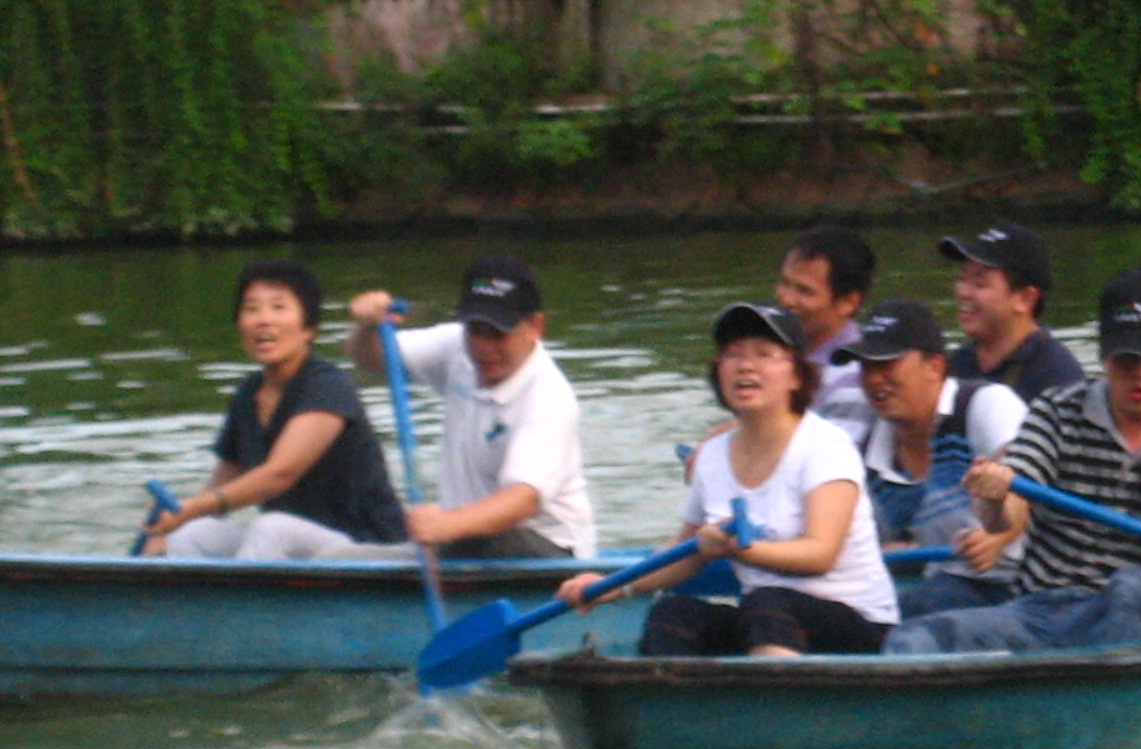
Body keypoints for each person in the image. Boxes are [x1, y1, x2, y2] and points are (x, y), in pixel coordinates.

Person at [884, 267, 1141, 655]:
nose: (1140, 374)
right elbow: (1005, 516)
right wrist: (993, 496)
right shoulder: (1056, 412)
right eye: (1125, 359)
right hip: (1041, 611)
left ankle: (1090, 689)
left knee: (1134, 586)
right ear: (1103, 356)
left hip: (1140, 617)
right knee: (910, 641)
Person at [557, 302, 899, 656]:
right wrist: (616, 587)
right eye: (733, 354)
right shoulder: (713, 455)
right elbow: (685, 554)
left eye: (764, 354)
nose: (745, 365)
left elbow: (820, 554)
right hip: (765, 620)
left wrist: (740, 551)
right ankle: (668, 708)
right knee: (674, 613)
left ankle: (779, 707)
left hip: (858, 624)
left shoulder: (826, 446)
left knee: (767, 604)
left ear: (797, 375)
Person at [140, 260, 406, 559]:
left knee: (271, 529)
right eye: (252, 309)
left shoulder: (328, 386)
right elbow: (220, 488)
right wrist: (172, 522)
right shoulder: (248, 394)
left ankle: (245, 605)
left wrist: (192, 507)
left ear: (308, 328)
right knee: (194, 533)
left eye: (278, 308)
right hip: (295, 548)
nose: (263, 320)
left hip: (367, 547)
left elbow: (279, 474)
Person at [347, 254, 596, 558]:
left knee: (468, 541)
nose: (483, 347)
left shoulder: (548, 396)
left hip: (549, 549)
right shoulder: (456, 346)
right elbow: (372, 359)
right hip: (464, 538)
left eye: (498, 334)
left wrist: (445, 524)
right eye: (475, 330)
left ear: (535, 326)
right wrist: (367, 327)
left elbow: (522, 500)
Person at [831, 298, 1030, 617]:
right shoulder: (867, 448)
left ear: (934, 367)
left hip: (1017, 585)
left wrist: (999, 537)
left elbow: (1029, 484)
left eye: (887, 364)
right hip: (937, 585)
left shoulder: (987, 406)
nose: (873, 379)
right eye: (867, 366)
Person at [939, 219, 1088, 404]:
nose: (962, 292)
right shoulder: (958, 364)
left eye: (979, 283)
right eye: (962, 278)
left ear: (1025, 299)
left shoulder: (1058, 378)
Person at [774, 224, 878, 441]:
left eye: (804, 291)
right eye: (785, 283)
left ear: (848, 302)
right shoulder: (781, 357)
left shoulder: (854, 379)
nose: (786, 300)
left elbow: (833, 462)